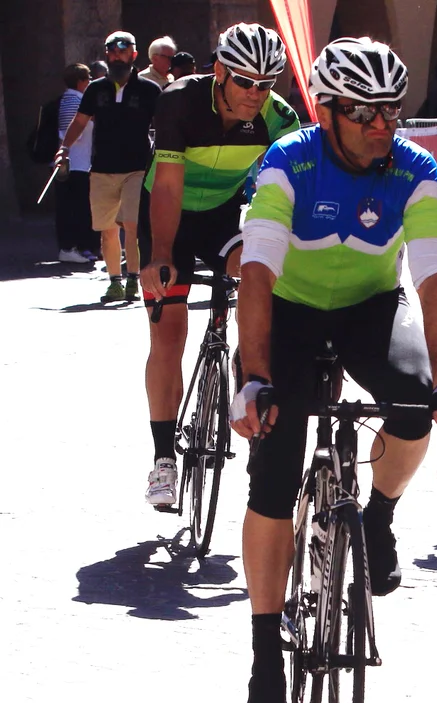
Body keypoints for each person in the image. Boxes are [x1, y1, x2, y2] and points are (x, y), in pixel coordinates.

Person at [229, 36, 437, 703]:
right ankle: (263, 655)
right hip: (291, 314)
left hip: (372, 309)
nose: (382, 125)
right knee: (274, 475)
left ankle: (379, 515)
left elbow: (433, 283)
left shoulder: (415, 168)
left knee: (411, 403)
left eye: (391, 111)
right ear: (329, 109)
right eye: (365, 111)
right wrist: (254, 379)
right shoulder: (289, 162)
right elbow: (256, 276)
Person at [138, 23, 299, 507]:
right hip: (166, 219)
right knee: (169, 334)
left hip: (222, 218)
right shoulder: (181, 100)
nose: (256, 94)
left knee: (259, 277)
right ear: (222, 70)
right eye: (246, 81)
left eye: (266, 84)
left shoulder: (279, 118)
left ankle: (244, 371)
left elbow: (295, 188)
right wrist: (161, 255)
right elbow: (166, 187)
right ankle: (164, 459)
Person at [57, 31, 161, 302]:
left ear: (134, 55)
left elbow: (163, 126)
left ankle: (133, 280)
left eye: (123, 50)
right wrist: (64, 149)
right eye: (112, 51)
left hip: (137, 167)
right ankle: (115, 281)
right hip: (101, 167)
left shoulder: (149, 90)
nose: (117, 55)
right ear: (107, 55)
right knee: (107, 230)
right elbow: (80, 122)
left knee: (132, 224)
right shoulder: (96, 89)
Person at [56, 63, 98, 263]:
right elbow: (71, 134)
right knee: (78, 209)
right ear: (81, 81)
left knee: (79, 208)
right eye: (88, 78)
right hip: (76, 163)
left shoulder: (71, 98)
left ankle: (81, 248)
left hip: (79, 163)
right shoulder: (75, 100)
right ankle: (74, 248)